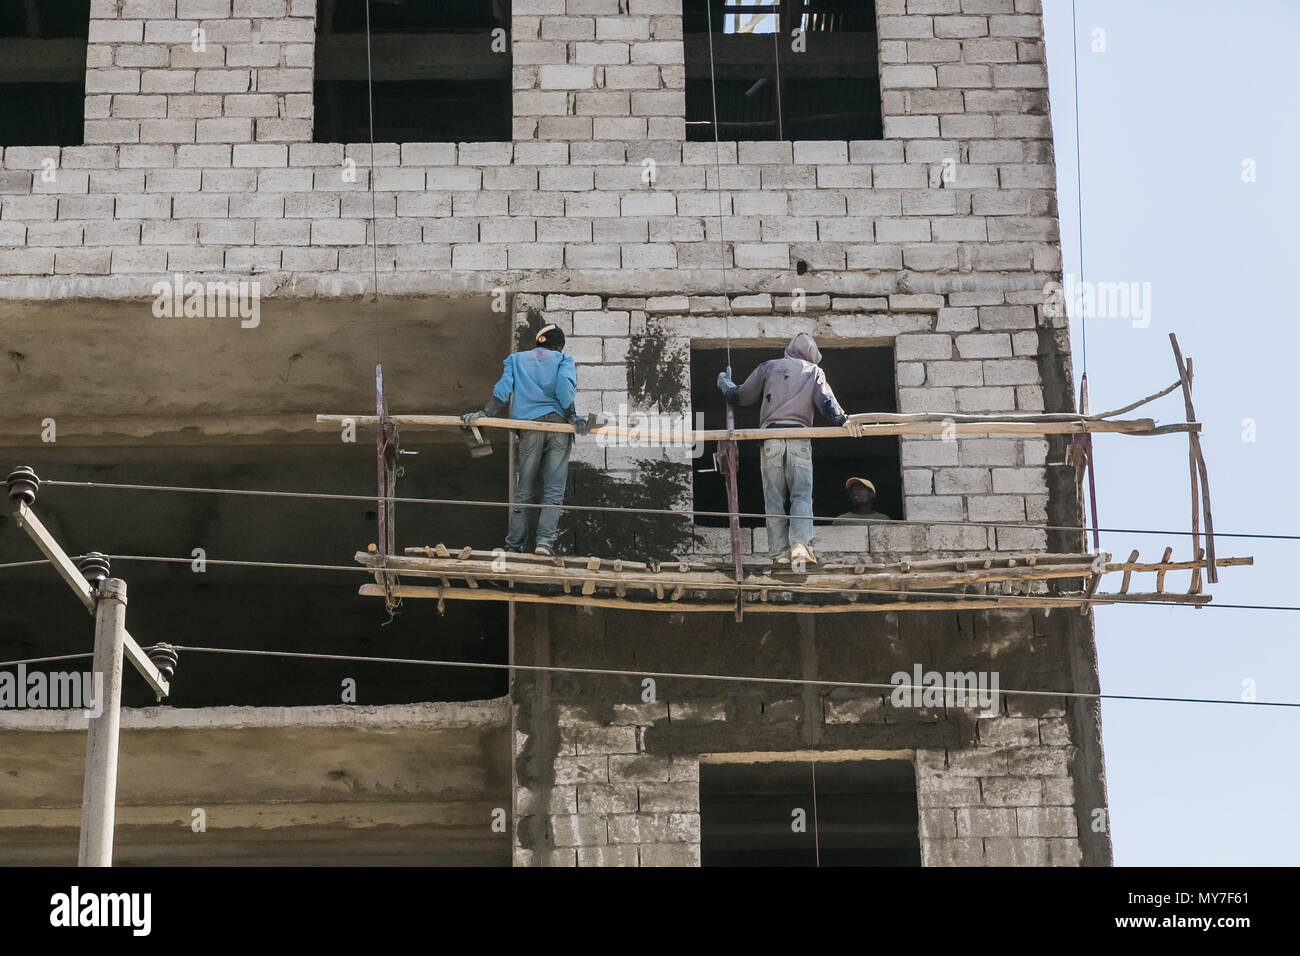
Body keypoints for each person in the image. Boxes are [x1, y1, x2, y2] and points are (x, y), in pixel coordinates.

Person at [717, 332, 863, 566]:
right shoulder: (814, 371)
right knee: (801, 495)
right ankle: (800, 547)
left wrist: (725, 384)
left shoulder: (769, 367)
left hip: (771, 439)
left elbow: (740, 397)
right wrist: (844, 421)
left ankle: (779, 554)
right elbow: (827, 403)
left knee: (773, 499)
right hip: (800, 438)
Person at [464, 324, 589, 556]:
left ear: (539, 341)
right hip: (558, 426)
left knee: (524, 490)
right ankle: (543, 543)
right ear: (559, 345)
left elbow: (503, 390)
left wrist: (486, 414)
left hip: (529, 427)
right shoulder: (563, 360)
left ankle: (513, 546)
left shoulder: (516, 359)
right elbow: (564, 389)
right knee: (553, 490)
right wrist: (572, 415)